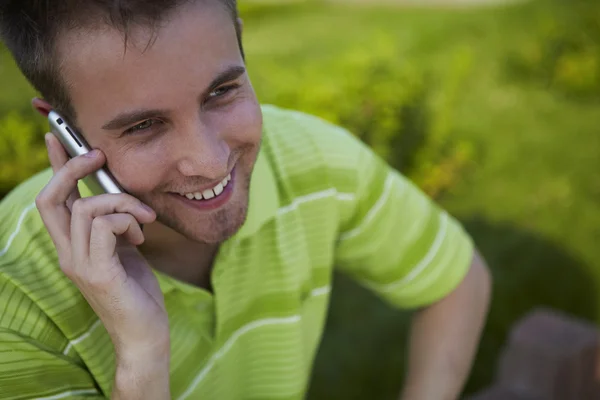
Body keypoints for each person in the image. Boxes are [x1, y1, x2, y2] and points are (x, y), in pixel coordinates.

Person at [0, 1, 492, 399]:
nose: (211, 162)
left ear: (239, 40)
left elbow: (457, 281)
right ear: (63, 129)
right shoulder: (13, 303)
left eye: (221, 91)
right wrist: (142, 360)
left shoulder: (312, 159)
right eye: (143, 126)